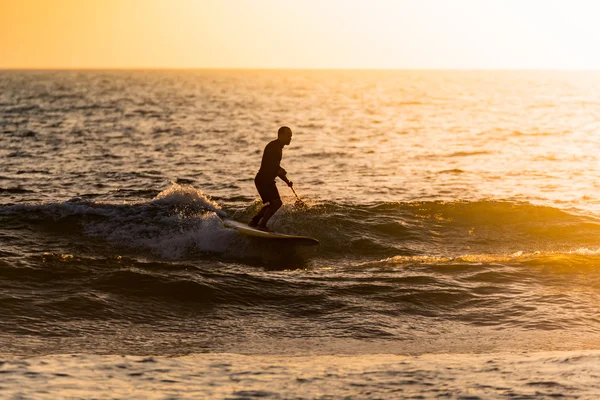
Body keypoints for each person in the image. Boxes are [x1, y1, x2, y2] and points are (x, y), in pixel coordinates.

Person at [249, 126, 293, 231]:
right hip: (264, 180)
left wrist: (287, 181)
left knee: (273, 204)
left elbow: (276, 169)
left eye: (291, 136)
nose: (290, 138)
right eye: (288, 136)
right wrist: (279, 169)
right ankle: (262, 225)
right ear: (280, 135)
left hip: (265, 180)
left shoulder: (278, 147)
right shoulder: (273, 147)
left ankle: (254, 221)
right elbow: (271, 165)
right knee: (277, 203)